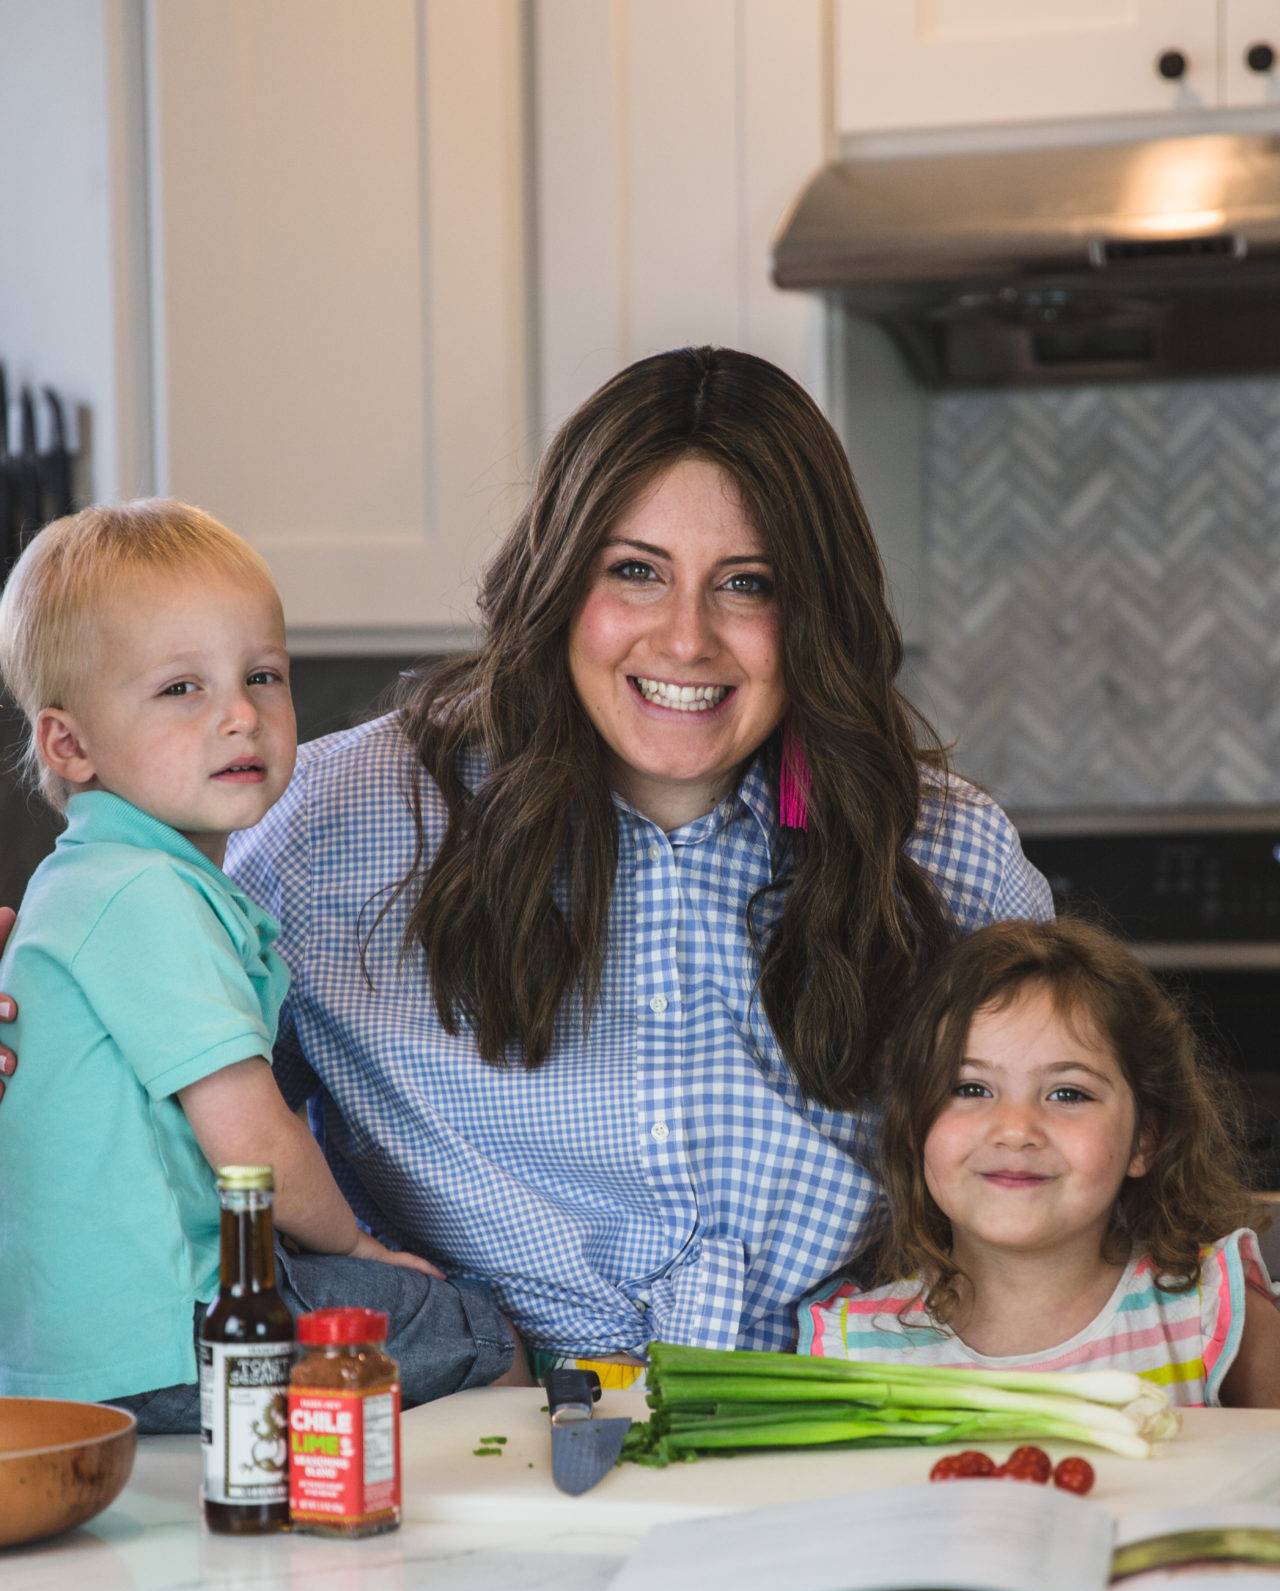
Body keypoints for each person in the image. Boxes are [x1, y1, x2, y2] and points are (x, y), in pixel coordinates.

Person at [0, 347, 1051, 1373]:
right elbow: (150, 1111)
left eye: (747, 583)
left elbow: (1082, 1177)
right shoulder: (329, 826)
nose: (685, 639)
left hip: (845, 1425)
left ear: (814, 613)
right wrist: (31, 1030)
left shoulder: (945, 851)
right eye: (633, 572)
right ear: (558, 581)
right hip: (472, 1445)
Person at [0, 501, 521, 1427]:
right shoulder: (145, 897)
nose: (240, 715)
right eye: (180, 690)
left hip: (73, 1348)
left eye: (263, 675)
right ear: (70, 744)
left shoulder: (86, 883)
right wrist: (360, 1245)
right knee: (469, 1324)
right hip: (173, 1331)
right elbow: (254, 1148)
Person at [800, 916, 1280, 1406]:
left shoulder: (1210, 1314)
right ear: (913, 1128)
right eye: (969, 1088)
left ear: (1144, 1141)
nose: (1015, 1129)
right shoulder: (852, 1353)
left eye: (1068, 1093)